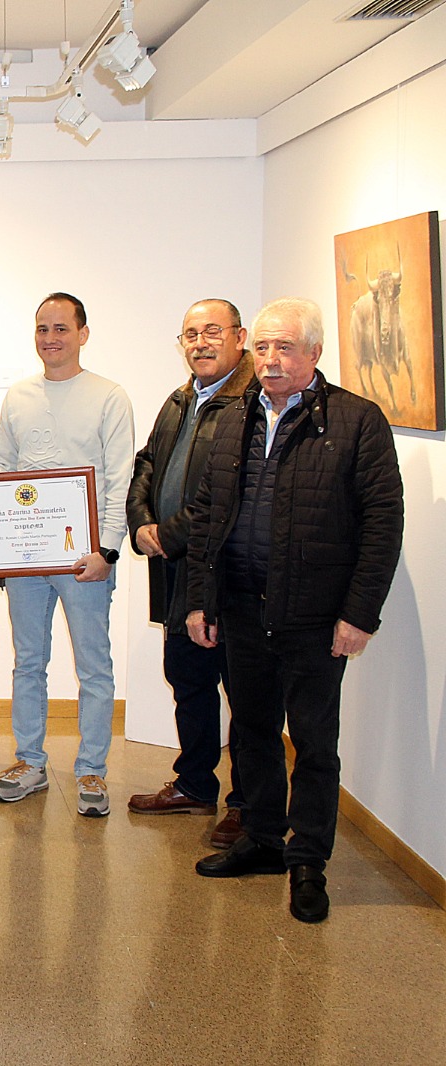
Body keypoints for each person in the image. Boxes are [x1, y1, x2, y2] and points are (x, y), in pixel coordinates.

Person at [187, 297, 403, 924]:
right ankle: (260, 838)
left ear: (314, 353)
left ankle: (308, 860)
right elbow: (207, 515)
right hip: (243, 609)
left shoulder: (357, 422)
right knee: (251, 732)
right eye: (262, 348)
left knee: (313, 743)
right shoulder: (233, 418)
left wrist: (360, 614)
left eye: (285, 348)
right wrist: (201, 599)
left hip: (315, 616)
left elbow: (382, 524)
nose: (272, 360)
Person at [0, 292, 134, 817]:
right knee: (29, 663)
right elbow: (4, 465)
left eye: (61, 329)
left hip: (84, 559)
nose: (50, 338)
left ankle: (92, 769)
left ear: (83, 333)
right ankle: (29, 762)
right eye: (42, 329)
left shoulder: (108, 395)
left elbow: (119, 481)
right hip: (27, 559)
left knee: (93, 666)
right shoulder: (20, 396)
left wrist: (108, 551)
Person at [125, 299, 254, 847]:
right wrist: (141, 522)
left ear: (240, 337)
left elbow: (235, 494)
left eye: (211, 332)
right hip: (176, 575)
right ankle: (196, 783)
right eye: (189, 335)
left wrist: (169, 535)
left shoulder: (251, 404)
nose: (199, 343)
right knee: (189, 679)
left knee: (245, 692)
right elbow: (146, 463)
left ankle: (248, 804)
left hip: (228, 577)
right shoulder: (180, 399)